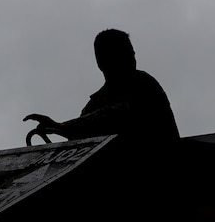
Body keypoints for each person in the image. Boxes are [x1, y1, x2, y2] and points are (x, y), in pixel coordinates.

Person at [24, 29, 179, 144]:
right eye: (123, 54)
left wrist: (62, 126)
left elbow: (120, 115)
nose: (132, 58)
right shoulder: (94, 104)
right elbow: (80, 138)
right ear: (101, 62)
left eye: (132, 53)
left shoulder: (144, 83)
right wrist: (59, 129)